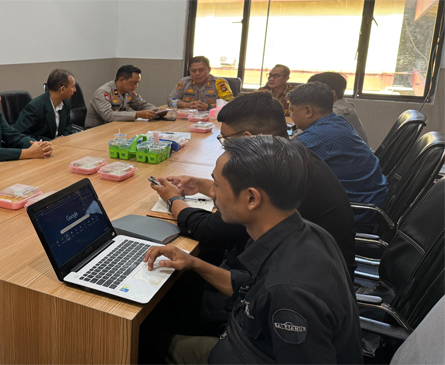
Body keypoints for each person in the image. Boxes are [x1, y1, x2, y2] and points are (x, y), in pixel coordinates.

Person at [143, 136, 362, 364]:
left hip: (242, 350)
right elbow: (252, 289)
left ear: (251, 198)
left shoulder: (289, 295)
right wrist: (194, 263)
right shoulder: (307, 232)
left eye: (217, 185)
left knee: (147, 341)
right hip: (243, 342)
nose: (213, 193)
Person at [154, 91, 356, 277]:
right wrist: (201, 185)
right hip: (312, 268)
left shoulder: (269, 177)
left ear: (247, 139)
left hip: (307, 280)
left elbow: (211, 230)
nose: (223, 147)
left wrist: (173, 200)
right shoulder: (292, 156)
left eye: (226, 140)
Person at [288, 82, 387, 232]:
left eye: (292, 111)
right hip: (369, 204)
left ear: (308, 111)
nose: (291, 116)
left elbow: (278, 165)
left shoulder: (316, 137)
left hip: (355, 217)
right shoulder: (339, 122)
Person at [84, 65, 157, 128]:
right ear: (122, 80)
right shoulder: (103, 92)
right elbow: (109, 116)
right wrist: (137, 114)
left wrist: (155, 111)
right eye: (134, 83)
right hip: (97, 130)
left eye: (137, 83)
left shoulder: (129, 91)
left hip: (117, 128)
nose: (136, 86)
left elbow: (142, 105)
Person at [14, 69, 76, 141]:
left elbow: (67, 126)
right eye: (72, 87)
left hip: (61, 146)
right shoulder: (35, 107)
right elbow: (20, 134)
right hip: (41, 148)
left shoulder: (66, 103)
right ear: (62, 89)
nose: (75, 90)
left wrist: (64, 138)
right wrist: (50, 142)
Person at [308, 72, 368, 143]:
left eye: (312, 92)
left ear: (332, 94)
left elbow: (306, 137)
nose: (308, 96)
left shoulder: (337, 113)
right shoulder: (343, 106)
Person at [167, 56, 234, 111]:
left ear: (209, 69)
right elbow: (170, 100)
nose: (197, 74)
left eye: (201, 70)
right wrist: (187, 105)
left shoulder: (220, 83)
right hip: (187, 118)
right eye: (193, 71)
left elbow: (229, 104)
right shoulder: (184, 82)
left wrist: (208, 107)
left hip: (212, 119)